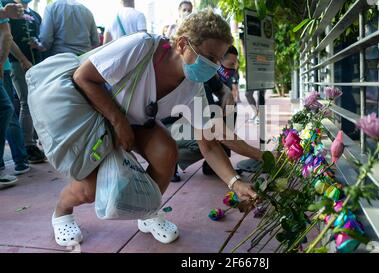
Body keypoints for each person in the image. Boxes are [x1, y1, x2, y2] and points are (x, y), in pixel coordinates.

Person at [40, 9, 256, 247]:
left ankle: (148, 211)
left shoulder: (192, 85)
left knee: (166, 153)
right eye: (209, 57)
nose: (214, 66)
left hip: (134, 120)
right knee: (90, 189)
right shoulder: (141, 46)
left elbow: (210, 144)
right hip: (95, 110)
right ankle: (62, 211)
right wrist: (117, 122)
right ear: (183, 44)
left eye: (218, 59)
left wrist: (235, 183)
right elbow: (83, 77)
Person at [165, 45, 257, 182]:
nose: (234, 69)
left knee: (229, 110)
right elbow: (216, 128)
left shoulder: (209, 74)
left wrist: (227, 94)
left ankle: (214, 165)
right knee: (206, 136)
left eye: (235, 65)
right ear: (218, 61)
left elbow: (221, 88)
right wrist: (261, 155)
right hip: (170, 126)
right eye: (230, 64)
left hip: (193, 121)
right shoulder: (195, 74)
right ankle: (166, 159)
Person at [2, 0, 46, 164]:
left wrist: (39, 46)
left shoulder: (35, 15)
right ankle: (28, 146)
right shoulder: (8, 7)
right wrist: (23, 59)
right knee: (25, 102)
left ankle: (36, 141)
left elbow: (41, 40)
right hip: (16, 63)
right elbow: (7, 36)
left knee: (36, 102)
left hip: (36, 63)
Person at [0, 1, 24, 186]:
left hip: (4, 67)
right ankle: (20, 160)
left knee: (6, 110)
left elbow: (7, 36)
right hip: (4, 67)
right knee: (6, 109)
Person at [35, 0, 99, 56]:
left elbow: (45, 38)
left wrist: (41, 46)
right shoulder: (87, 11)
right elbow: (95, 41)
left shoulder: (52, 8)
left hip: (60, 58)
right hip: (83, 59)